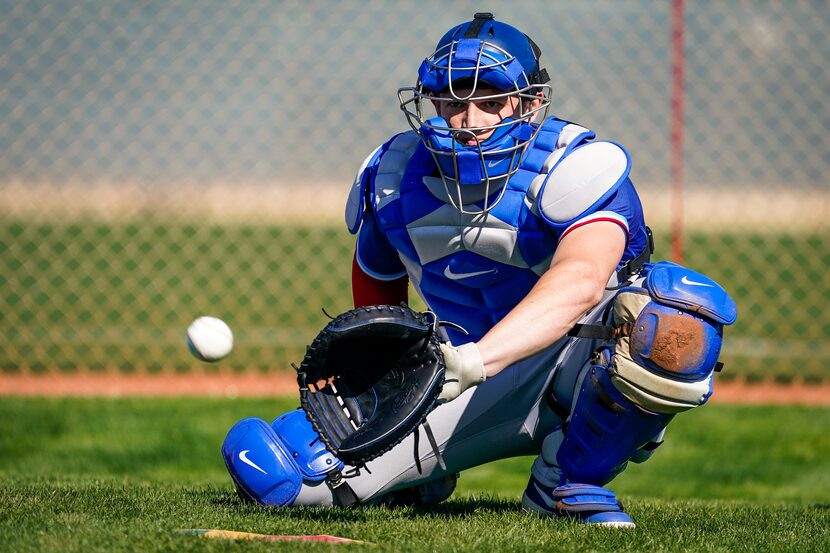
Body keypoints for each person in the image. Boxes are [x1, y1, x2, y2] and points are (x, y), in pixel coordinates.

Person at [221, 13, 736, 528]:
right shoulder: (393, 174)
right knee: (281, 478)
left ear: (531, 104)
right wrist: (379, 372)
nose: (469, 120)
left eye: (490, 101)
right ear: (432, 102)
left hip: (572, 363)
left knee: (678, 317)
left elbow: (580, 280)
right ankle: (419, 479)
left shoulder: (575, 168)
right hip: (450, 373)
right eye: (452, 101)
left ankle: (567, 484)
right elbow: (377, 287)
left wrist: (475, 360)